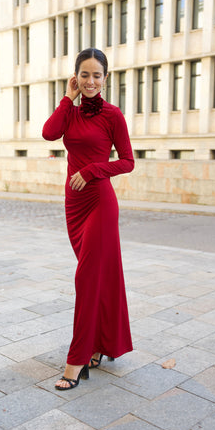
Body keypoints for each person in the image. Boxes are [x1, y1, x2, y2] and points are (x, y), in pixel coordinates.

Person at [42, 48, 134, 390]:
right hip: (74, 205)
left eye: (97, 75)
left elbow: (127, 161)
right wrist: (67, 99)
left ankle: (77, 360)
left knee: (86, 279)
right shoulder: (70, 112)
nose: (91, 81)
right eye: (84, 75)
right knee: (98, 278)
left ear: (105, 79)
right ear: (75, 78)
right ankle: (100, 345)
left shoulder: (113, 115)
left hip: (100, 203)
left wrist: (94, 169)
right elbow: (49, 134)